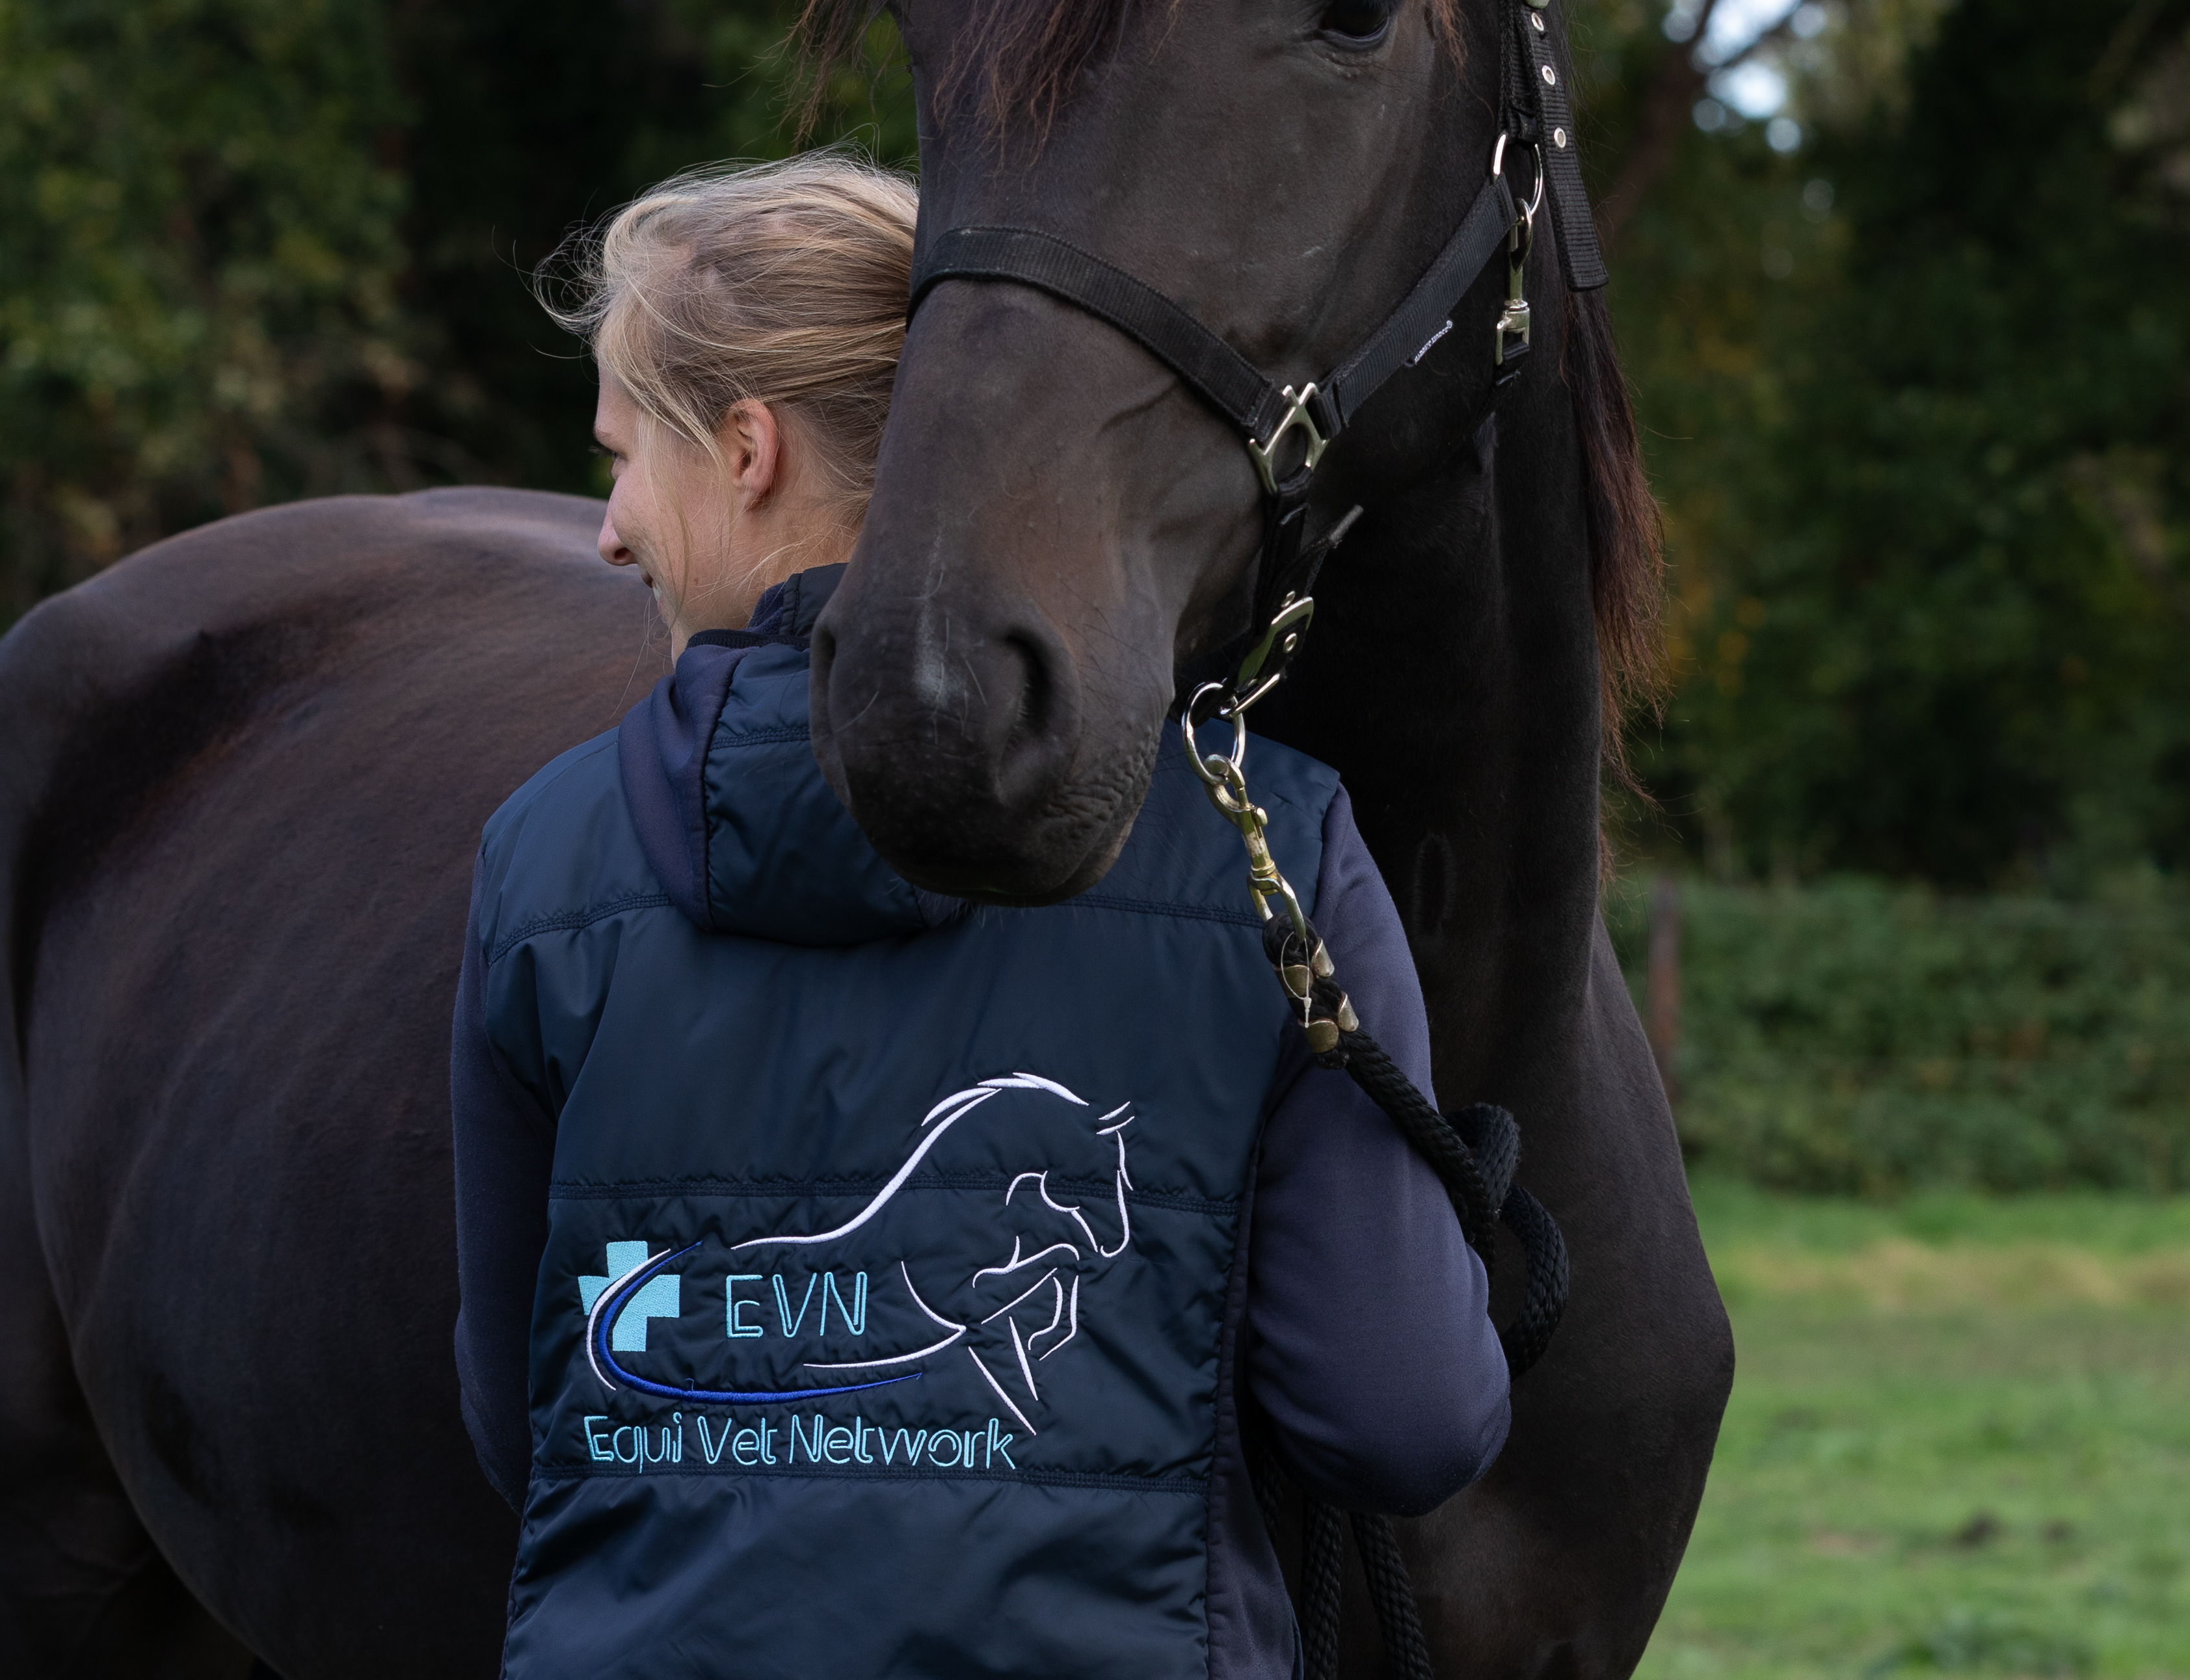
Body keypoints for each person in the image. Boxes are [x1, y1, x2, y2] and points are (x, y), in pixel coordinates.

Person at [449, 151, 1508, 1679]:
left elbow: (523, 1413)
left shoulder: (539, 862)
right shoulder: (1260, 840)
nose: (608, 531)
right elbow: (1400, 1417)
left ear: (745, 451)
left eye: (621, 457)